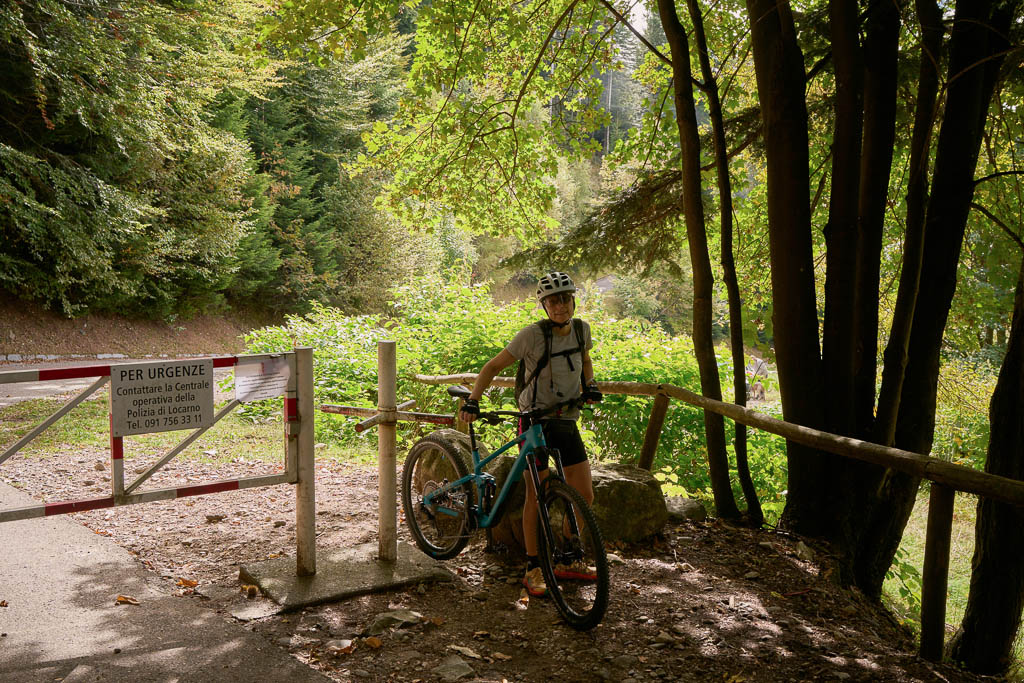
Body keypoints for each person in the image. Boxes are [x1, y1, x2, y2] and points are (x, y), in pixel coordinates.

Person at [459, 271, 603, 597]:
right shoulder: (531, 336)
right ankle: (533, 566)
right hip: (534, 422)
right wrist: (473, 400)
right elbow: (492, 367)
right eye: (553, 301)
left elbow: (585, 360)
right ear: (544, 305)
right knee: (536, 497)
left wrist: (590, 385)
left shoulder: (582, 330)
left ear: (573, 300)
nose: (560, 306)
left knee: (585, 494)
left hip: (565, 419)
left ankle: (569, 556)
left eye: (564, 299)